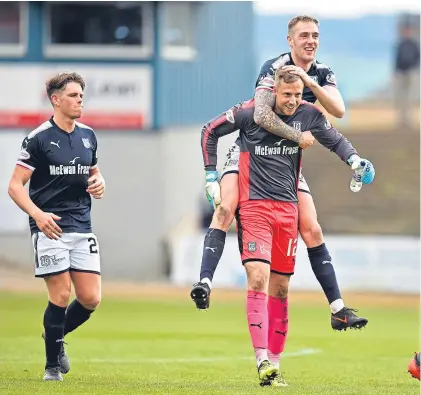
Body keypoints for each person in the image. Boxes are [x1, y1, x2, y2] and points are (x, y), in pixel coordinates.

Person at [191, 15, 372, 331]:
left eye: (315, 35)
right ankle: (205, 282)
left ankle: (338, 309)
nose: (310, 40)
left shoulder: (323, 73)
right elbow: (261, 115)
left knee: (313, 228)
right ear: (290, 41)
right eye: (303, 35)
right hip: (251, 153)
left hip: (287, 161)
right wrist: (298, 137)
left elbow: (338, 113)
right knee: (224, 208)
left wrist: (354, 160)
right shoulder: (272, 67)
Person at [199, 69, 374, 386]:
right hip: (254, 207)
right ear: (272, 92)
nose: (293, 101)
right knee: (258, 279)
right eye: (286, 95)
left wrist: (354, 161)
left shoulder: (308, 114)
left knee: (281, 288)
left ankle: (277, 366)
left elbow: (335, 140)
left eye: (297, 95)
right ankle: (261, 359)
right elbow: (209, 130)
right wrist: (211, 175)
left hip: (287, 209)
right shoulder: (249, 114)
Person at [8, 72, 105, 381]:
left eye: (81, 96)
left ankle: (54, 336)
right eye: (74, 95)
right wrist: (38, 215)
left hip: (82, 225)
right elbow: (14, 186)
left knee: (90, 299)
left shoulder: (88, 135)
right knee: (61, 295)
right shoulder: (38, 138)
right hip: (50, 227)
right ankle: (52, 368)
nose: (80, 101)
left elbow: (94, 172)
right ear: (56, 100)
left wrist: (99, 182)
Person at [394, 24, 420, 128]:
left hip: (411, 72)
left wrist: (415, 69)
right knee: (401, 97)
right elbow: (396, 58)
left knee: (410, 97)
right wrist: (396, 71)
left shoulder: (414, 44)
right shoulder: (401, 44)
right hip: (401, 73)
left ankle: (410, 120)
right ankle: (401, 120)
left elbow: (418, 57)